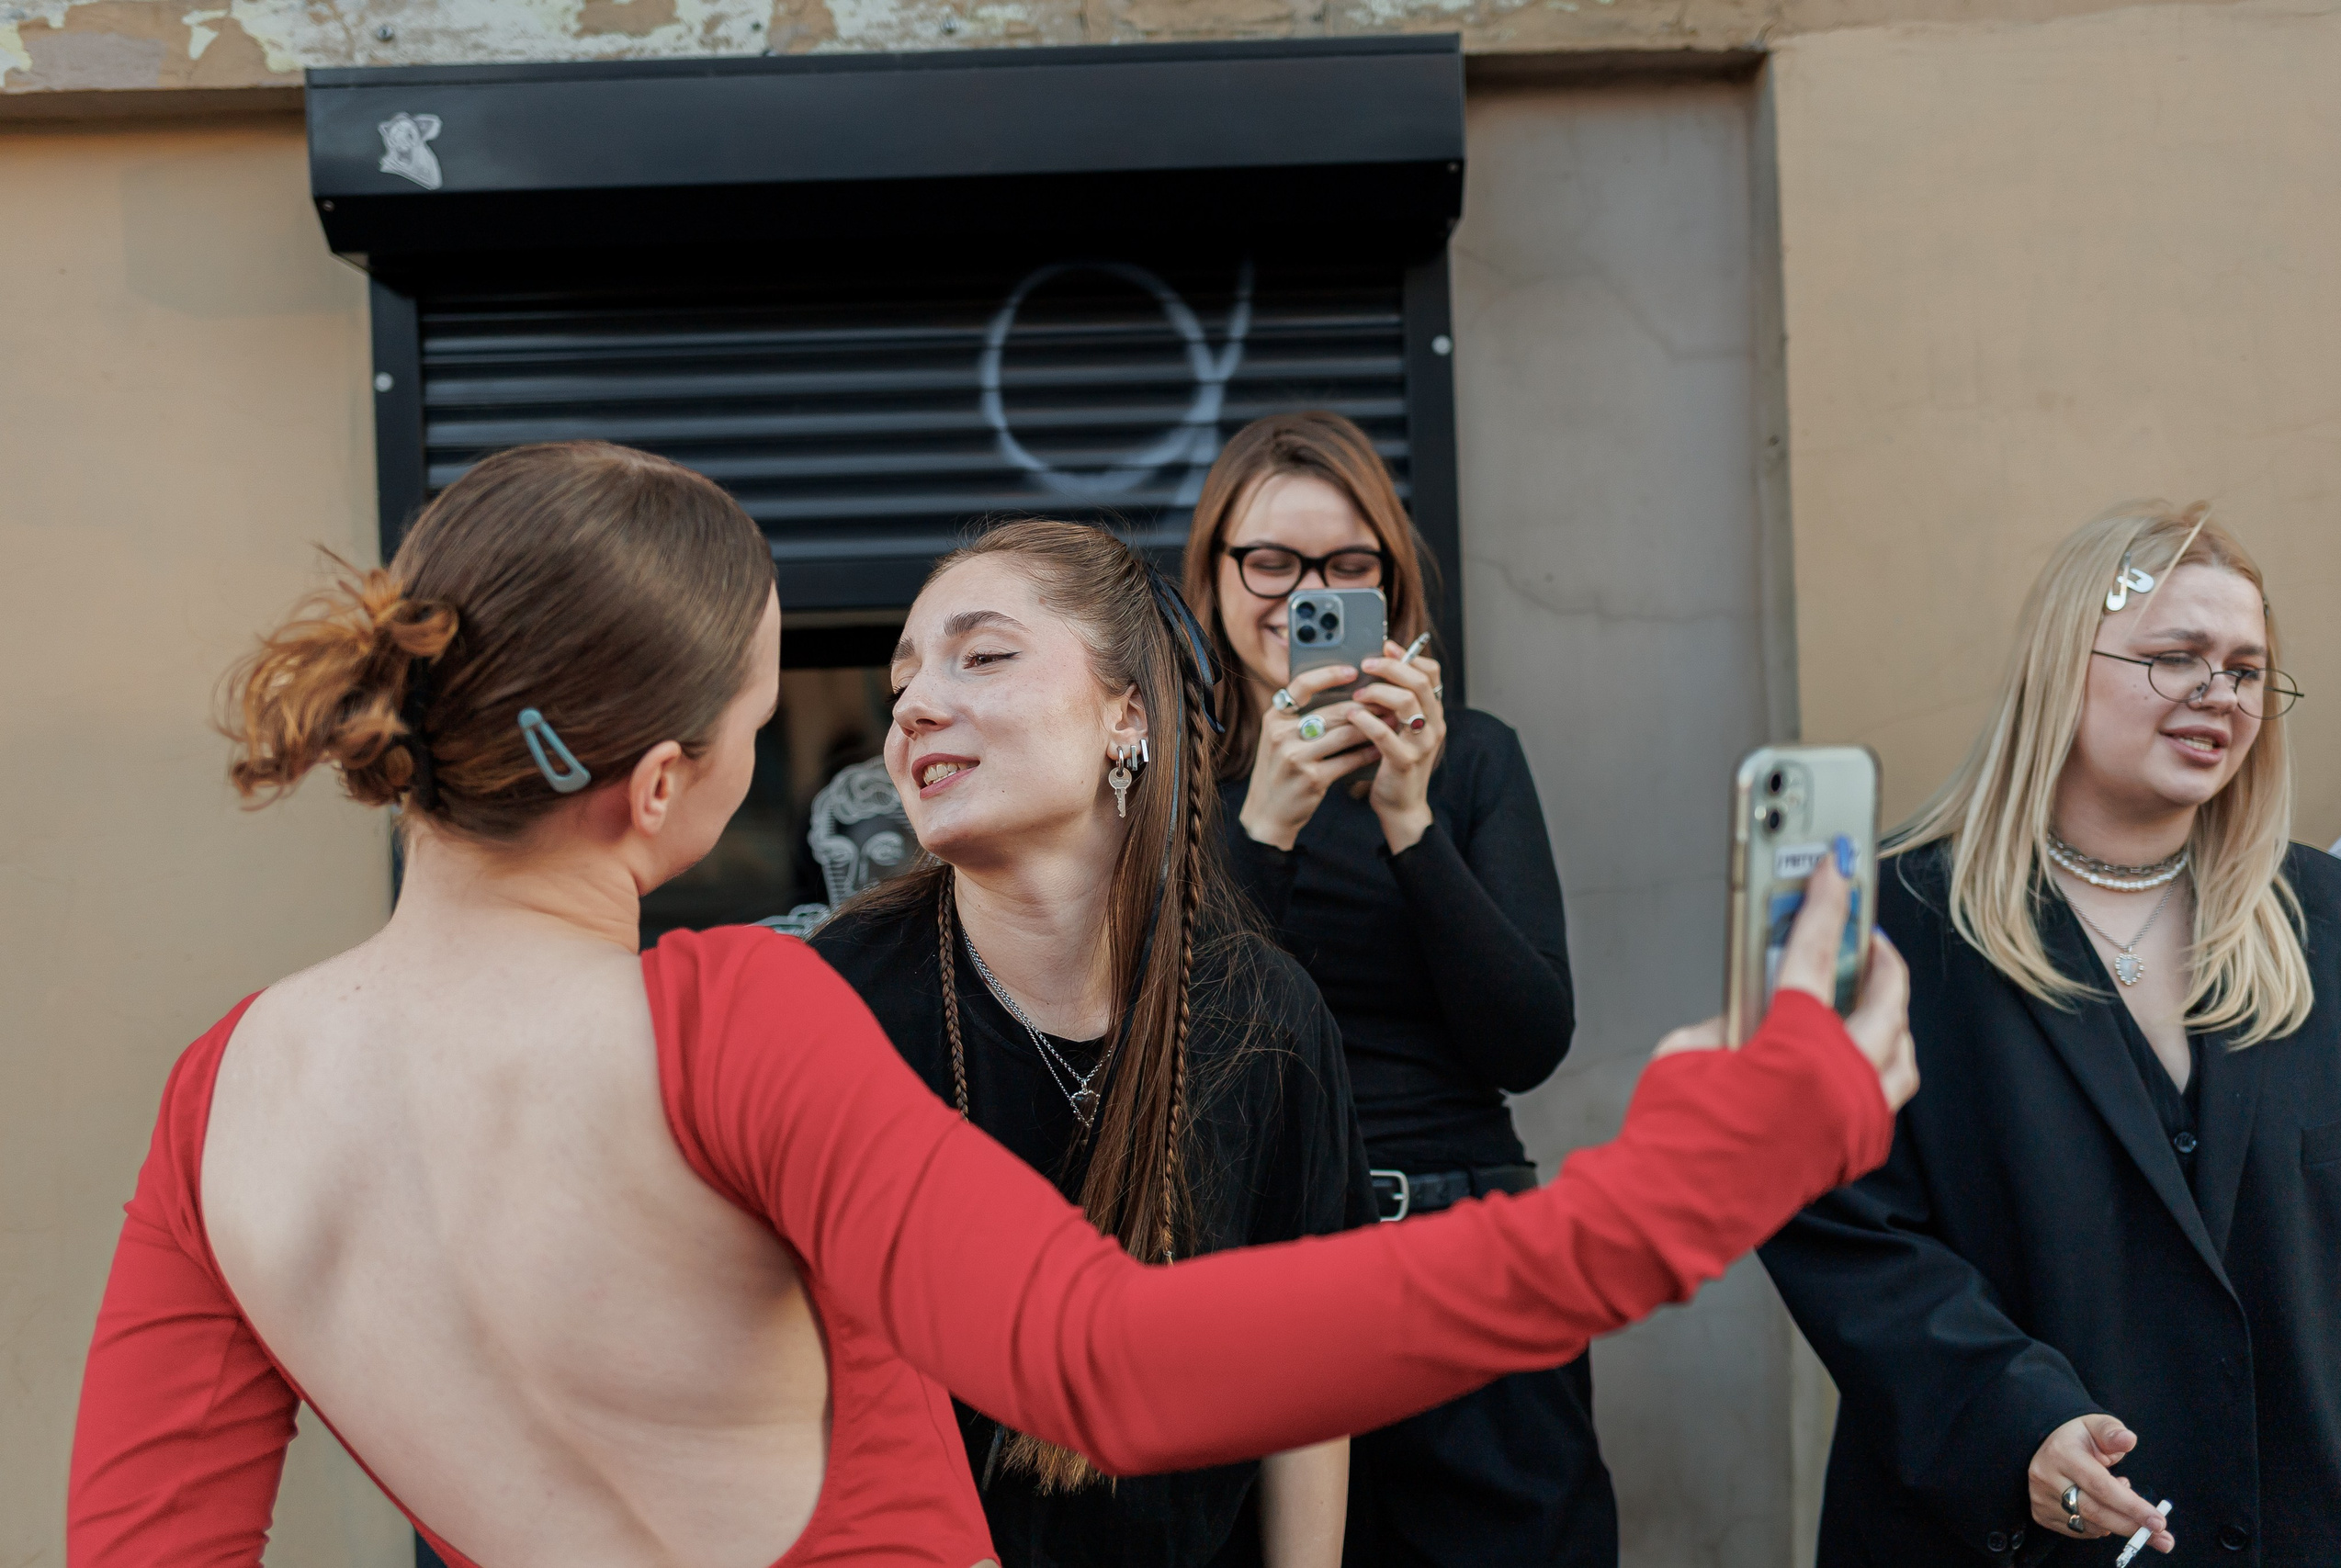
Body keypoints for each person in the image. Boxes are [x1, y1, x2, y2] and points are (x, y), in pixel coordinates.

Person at [68, 439, 1914, 1568]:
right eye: (760, 699)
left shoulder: (223, 1095)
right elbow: (1116, 1362)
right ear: (657, 787)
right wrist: (1703, 1169)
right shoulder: (734, 1021)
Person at [1761, 502, 2341, 1567]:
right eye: (2175, 658)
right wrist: (2008, 1418)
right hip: (1997, 1536)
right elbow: (1835, 1224)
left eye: (2247, 669)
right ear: (2059, 666)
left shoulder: (2328, 921)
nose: (2217, 694)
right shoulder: (1892, 923)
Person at [809, 520, 1374, 1568]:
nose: (916, 704)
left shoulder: (1262, 1014)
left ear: (1128, 715)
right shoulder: (830, 1000)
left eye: (981, 656)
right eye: (902, 684)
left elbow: (1307, 1381)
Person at [1182, 410, 1605, 1566]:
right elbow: (1170, 1047)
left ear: (1391, 584)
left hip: (1462, 1248)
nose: (1300, 593)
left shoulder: (1469, 757)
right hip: (1252, 1269)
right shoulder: (1164, 775)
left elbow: (1527, 1039)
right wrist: (1260, 823)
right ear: (1215, 570)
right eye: (1268, 561)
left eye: (1345, 566)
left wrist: (1409, 820)